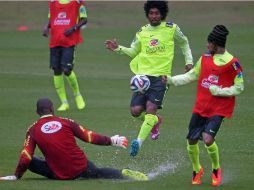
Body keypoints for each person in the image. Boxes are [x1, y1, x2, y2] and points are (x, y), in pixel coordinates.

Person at [105, 1, 193, 157]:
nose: (154, 16)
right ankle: (155, 121)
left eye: (157, 13)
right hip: (142, 78)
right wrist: (118, 48)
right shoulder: (142, 31)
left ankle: (138, 142)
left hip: (161, 78)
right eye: (151, 13)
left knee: (151, 109)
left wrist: (189, 61)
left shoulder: (171, 28)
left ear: (162, 14)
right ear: (147, 14)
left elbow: (184, 42)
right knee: (135, 111)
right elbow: (133, 52)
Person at [168, 25, 244, 186]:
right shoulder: (204, 58)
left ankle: (216, 168)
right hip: (201, 107)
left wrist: (219, 90)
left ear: (216, 44)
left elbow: (239, 87)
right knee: (191, 141)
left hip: (219, 109)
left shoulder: (232, 63)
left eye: (209, 43)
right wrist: (171, 80)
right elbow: (192, 75)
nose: (207, 46)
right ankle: (197, 169)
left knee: (208, 139)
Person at [0, 98, 148, 181]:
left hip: (60, 174)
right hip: (80, 166)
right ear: (52, 109)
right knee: (98, 172)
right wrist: (112, 140)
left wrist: (16, 176)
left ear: (37, 112)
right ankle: (123, 174)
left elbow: (25, 156)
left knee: (32, 161)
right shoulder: (66, 121)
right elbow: (89, 136)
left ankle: (55, 168)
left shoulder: (32, 129)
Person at [42, 0, 87, 111]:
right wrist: (46, 27)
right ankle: (64, 102)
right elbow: (51, 18)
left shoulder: (77, 2)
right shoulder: (53, 2)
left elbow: (84, 19)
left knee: (67, 70)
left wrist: (73, 28)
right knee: (56, 71)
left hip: (69, 42)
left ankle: (77, 95)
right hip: (55, 41)